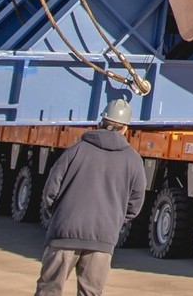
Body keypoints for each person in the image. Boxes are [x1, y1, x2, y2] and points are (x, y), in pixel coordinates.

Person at [34, 97, 146, 296]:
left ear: (100, 123)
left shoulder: (75, 150)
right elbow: (135, 205)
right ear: (125, 129)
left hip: (64, 234)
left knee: (49, 290)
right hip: (102, 240)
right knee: (90, 293)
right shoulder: (134, 160)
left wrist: (60, 216)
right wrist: (113, 221)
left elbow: (50, 191)